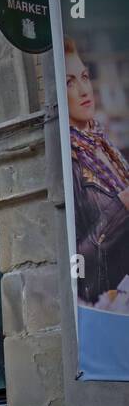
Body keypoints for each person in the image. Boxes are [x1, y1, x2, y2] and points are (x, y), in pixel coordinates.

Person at [66, 36, 129, 304]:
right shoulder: (69, 163)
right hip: (109, 309)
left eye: (84, 76)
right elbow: (78, 268)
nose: (83, 90)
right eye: (70, 82)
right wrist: (121, 207)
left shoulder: (105, 146)